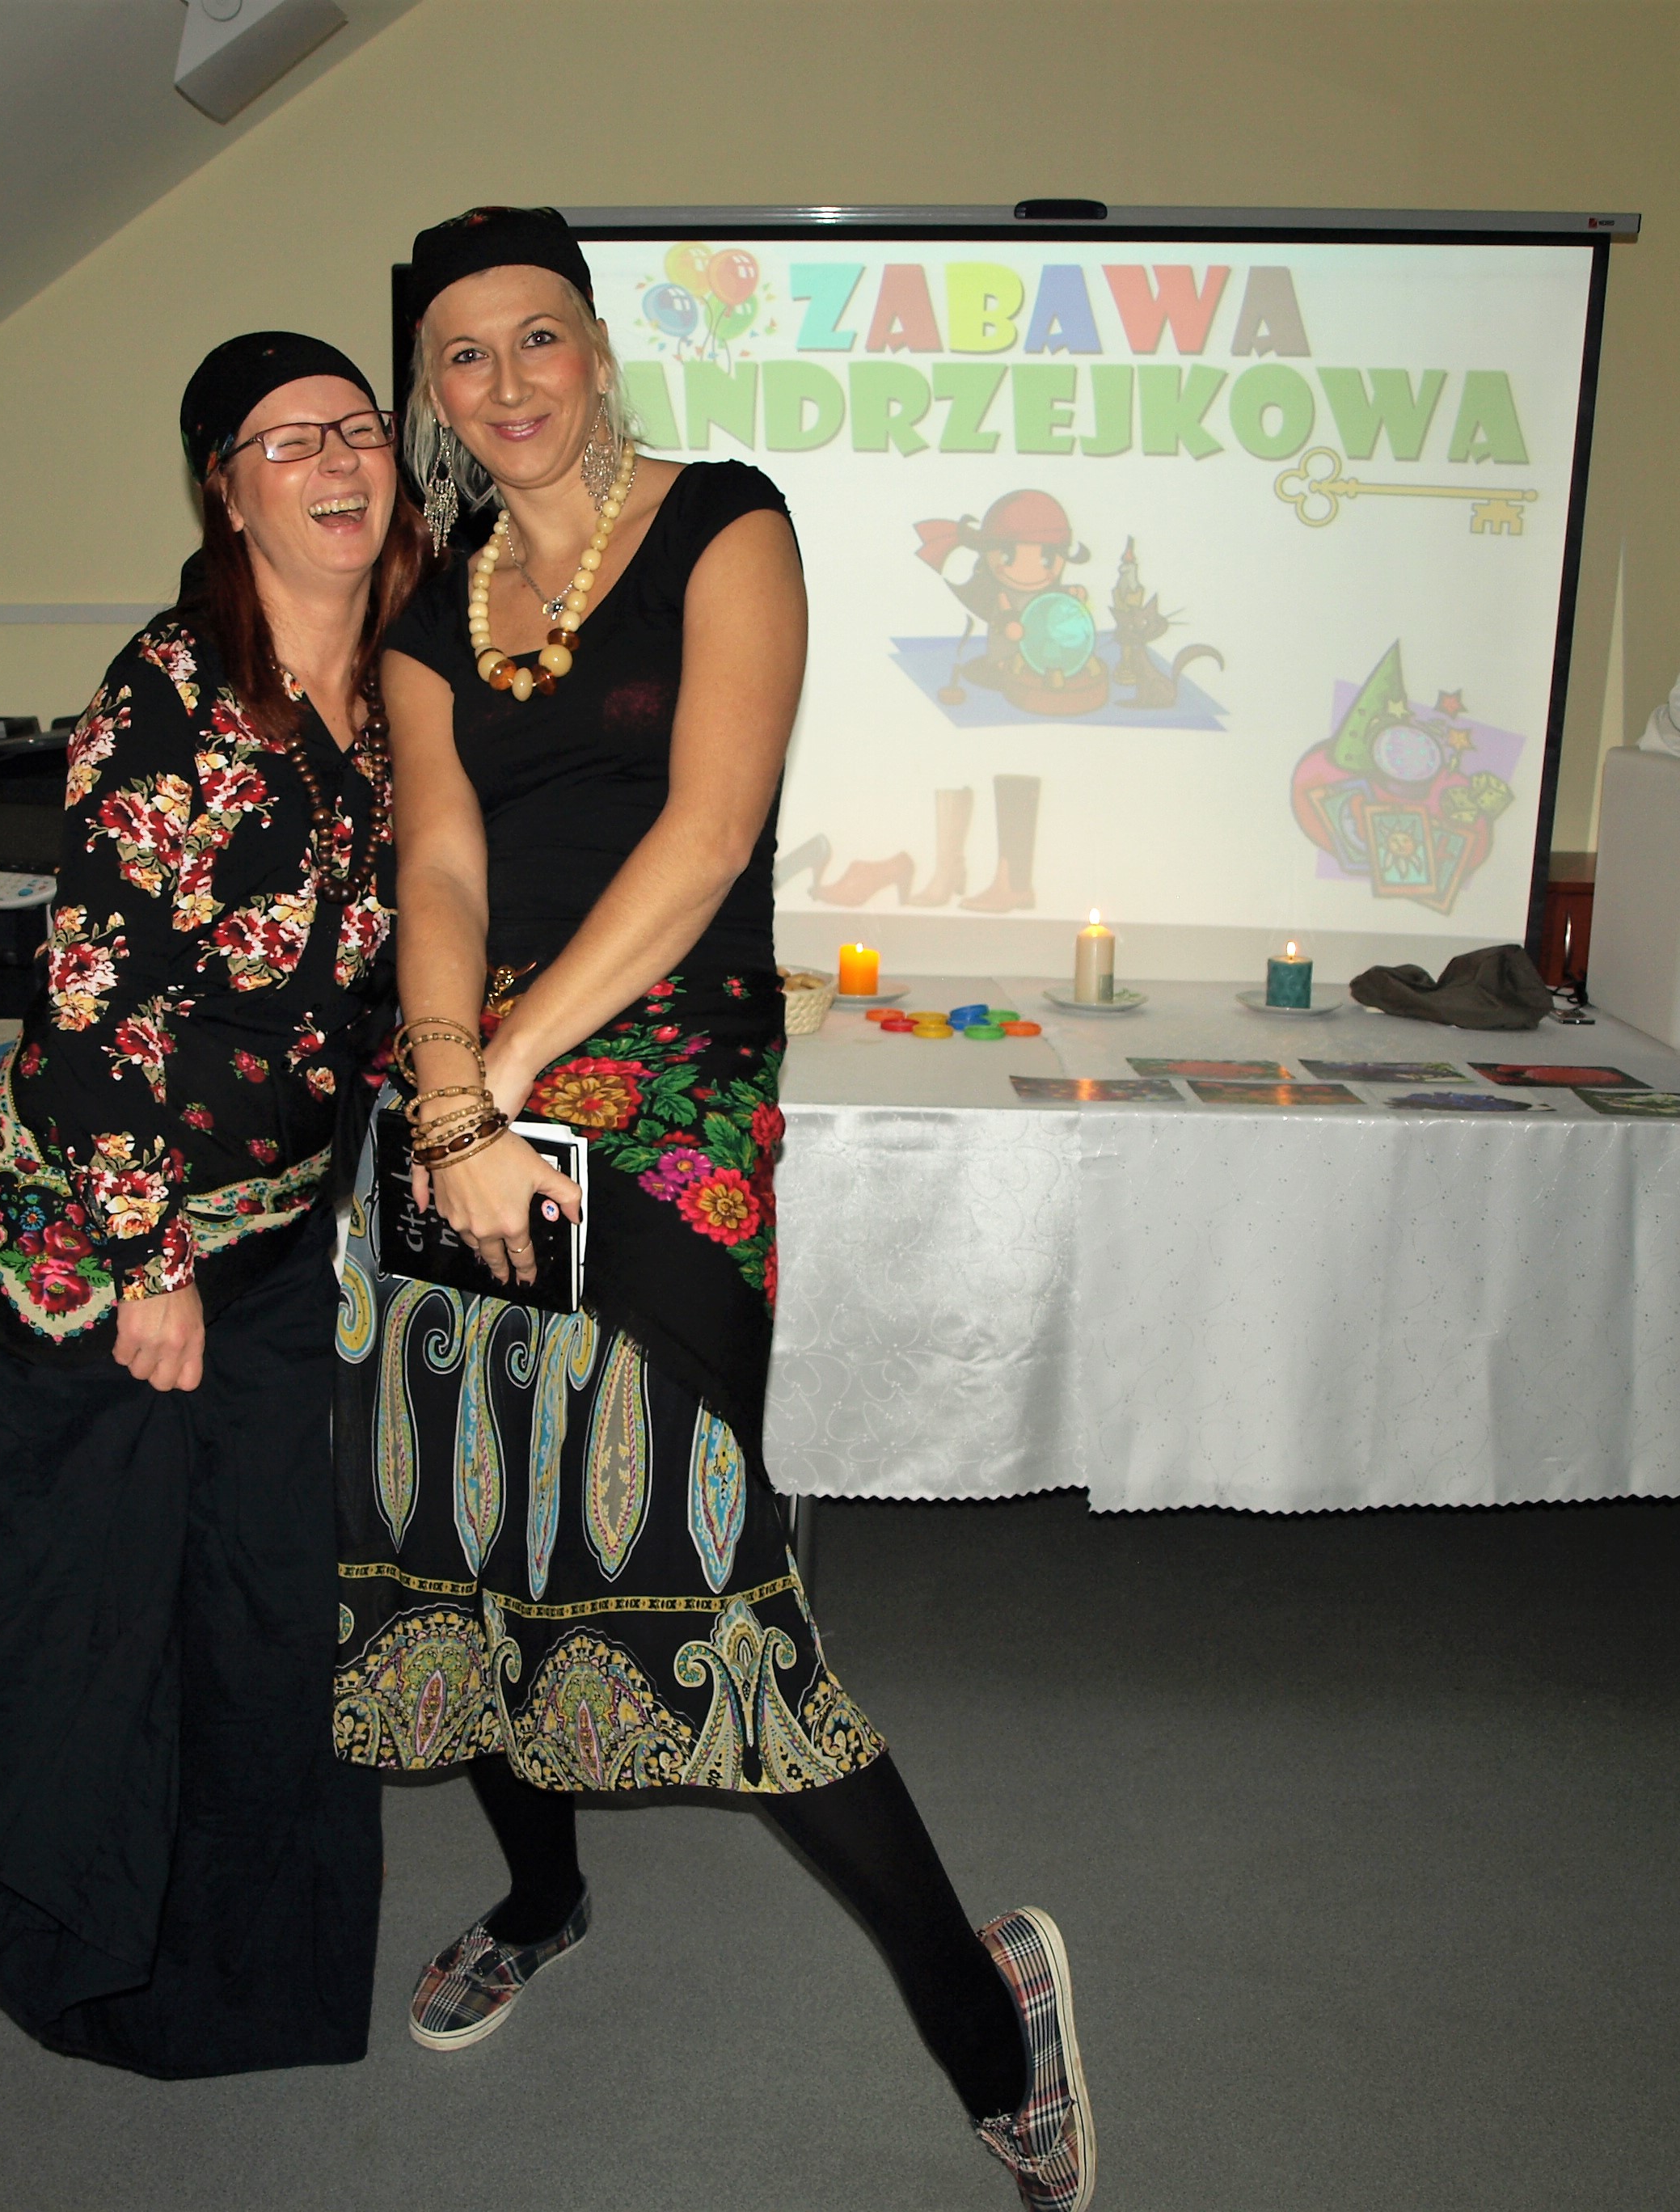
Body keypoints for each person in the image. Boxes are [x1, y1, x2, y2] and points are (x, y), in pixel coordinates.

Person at [332, 208, 1095, 2210]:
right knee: (467, 1524)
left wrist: (490, 1081)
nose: (505, 382)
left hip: (661, 1081)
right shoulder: (427, 614)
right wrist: (447, 1091)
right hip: (466, 1085)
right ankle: (542, 1894)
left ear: (598, 349)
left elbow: (706, 835)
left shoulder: (724, 523)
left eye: (539, 337)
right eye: (463, 353)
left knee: (693, 1562)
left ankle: (989, 2015)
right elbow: (439, 869)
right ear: (431, 390)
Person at [0, 331, 418, 2079]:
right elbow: (93, 998)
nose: (337, 461)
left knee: (271, 1608)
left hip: (273, 1236)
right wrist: (149, 1263)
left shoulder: (404, 684)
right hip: (95, 1253)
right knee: (103, 1626)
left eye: (356, 426)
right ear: (227, 489)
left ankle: (254, 1979)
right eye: (289, 442)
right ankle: (89, 1965)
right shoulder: (173, 689)